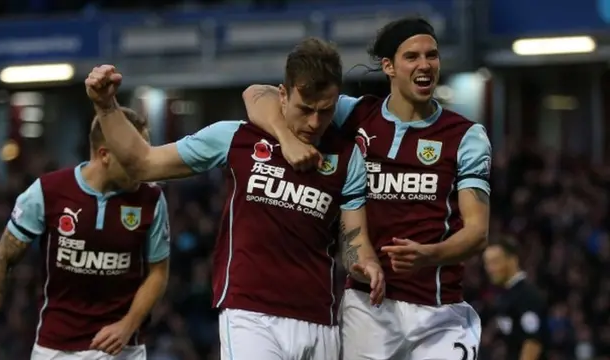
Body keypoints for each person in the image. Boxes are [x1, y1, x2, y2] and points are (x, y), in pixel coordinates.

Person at [84, 37, 385, 360]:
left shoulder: (347, 157)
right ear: (282, 95)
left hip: (319, 318)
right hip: (250, 314)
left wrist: (364, 264)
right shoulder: (236, 138)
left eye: (325, 111)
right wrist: (106, 107)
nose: (314, 122)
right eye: (305, 109)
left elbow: (354, 238)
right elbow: (143, 162)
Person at [242, 17, 491, 360]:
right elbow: (257, 94)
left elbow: (477, 233)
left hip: (439, 310)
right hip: (368, 305)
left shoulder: (465, 136)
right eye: (412, 57)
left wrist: (429, 255)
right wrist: (285, 138)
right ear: (388, 66)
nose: (425, 65)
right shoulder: (354, 114)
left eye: (431, 55)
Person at [0, 110, 171, 360]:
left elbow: (159, 273)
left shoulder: (152, 199)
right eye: (135, 155)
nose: (144, 164)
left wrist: (128, 324)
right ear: (104, 155)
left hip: (125, 350)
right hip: (55, 350)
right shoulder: (47, 193)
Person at [483, 237, 548, 360]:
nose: (489, 269)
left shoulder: (527, 295)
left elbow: (532, 343)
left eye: (495, 262)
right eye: (487, 264)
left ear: (512, 260)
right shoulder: (505, 295)